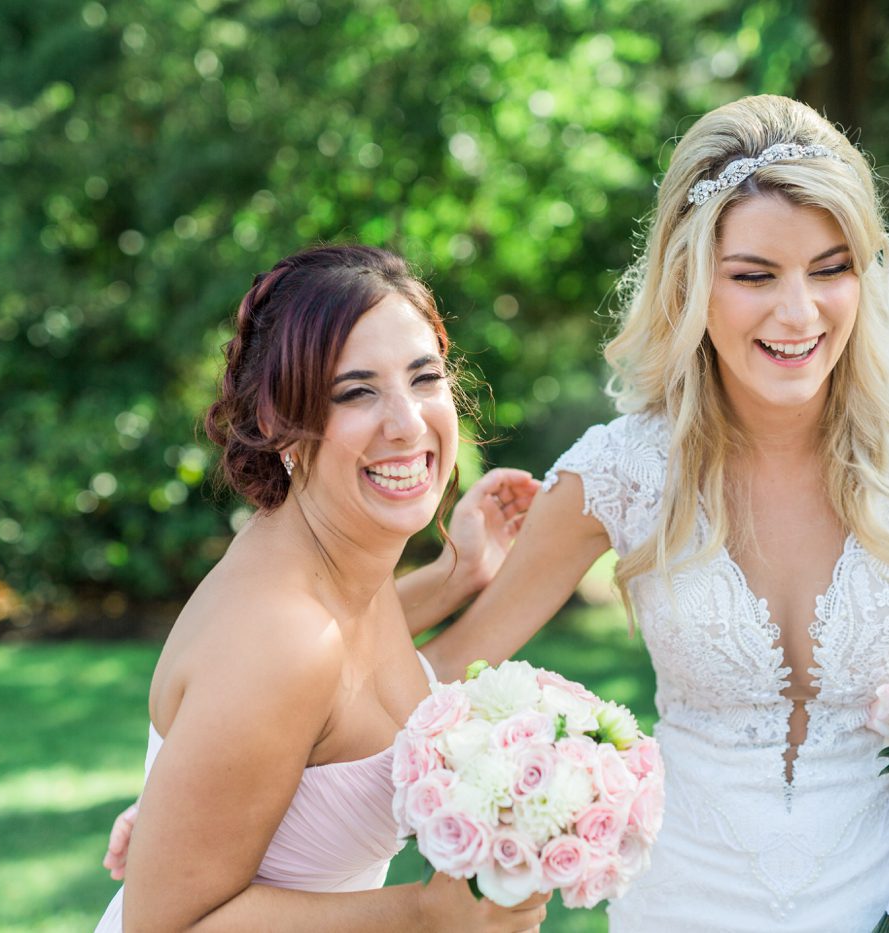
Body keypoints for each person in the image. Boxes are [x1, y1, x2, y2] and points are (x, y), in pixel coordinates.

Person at [418, 95, 889, 931]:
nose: (799, 312)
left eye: (831, 267)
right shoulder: (617, 472)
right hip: (682, 902)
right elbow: (436, 681)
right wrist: (451, 584)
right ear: (691, 280)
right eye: (754, 275)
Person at [93, 244, 548, 932]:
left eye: (423, 378)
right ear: (279, 423)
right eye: (357, 391)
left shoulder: (330, 562)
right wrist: (424, 914)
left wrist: (459, 575)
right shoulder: (281, 639)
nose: (406, 422)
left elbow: (353, 669)